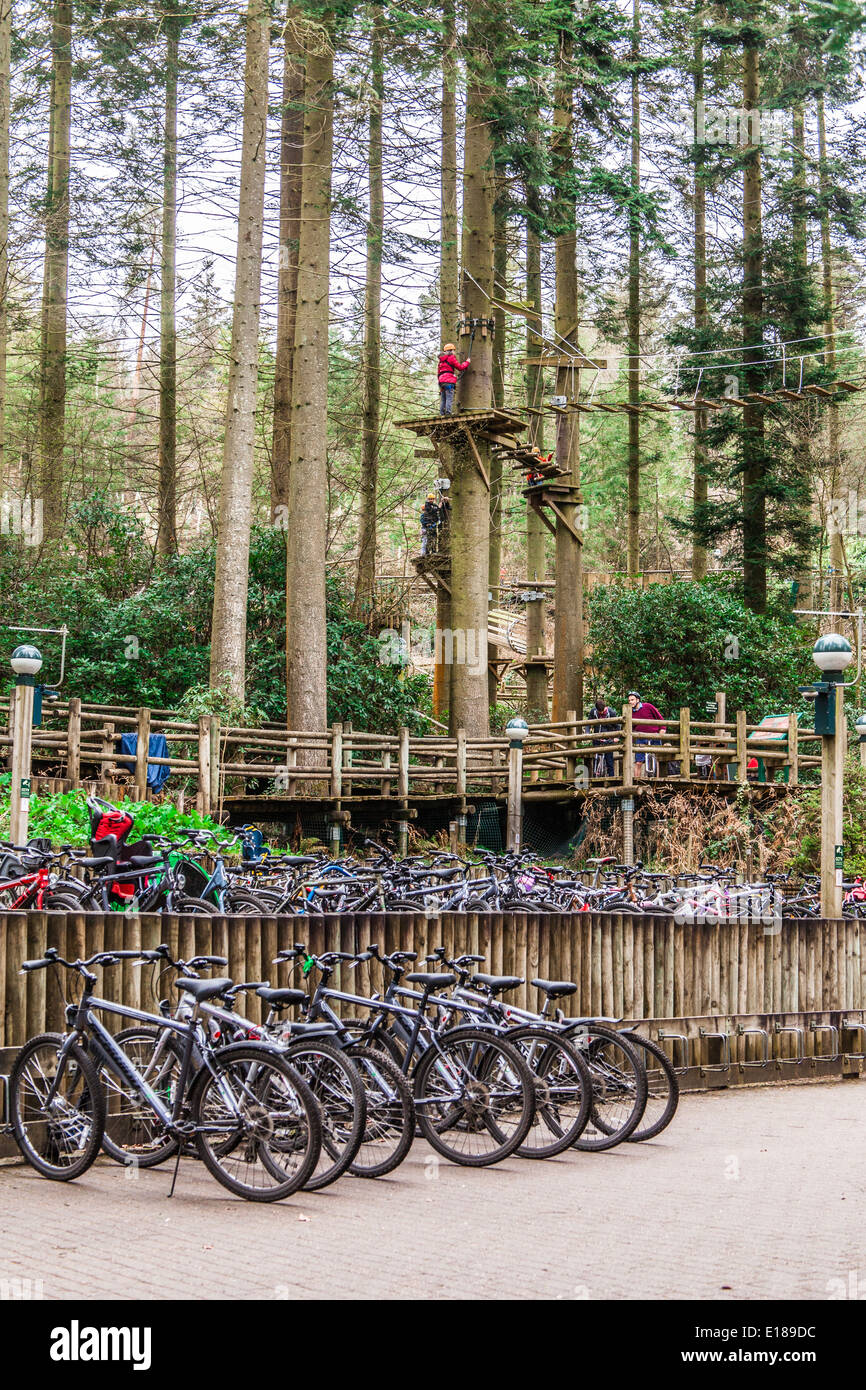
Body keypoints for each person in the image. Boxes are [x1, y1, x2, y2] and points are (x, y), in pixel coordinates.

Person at [627, 690, 666, 779]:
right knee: (638, 762)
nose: (630, 702)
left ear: (637, 700)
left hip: (654, 735)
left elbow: (660, 718)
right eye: (629, 700)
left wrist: (662, 729)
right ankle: (637, 782)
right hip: (640, 737)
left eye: (632, 700)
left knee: (657, 759)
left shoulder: (648, 706)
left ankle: (657, 780)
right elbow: (630, 726)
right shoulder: (630, 712)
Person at [437, 343, 470, 415]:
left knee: (443, 398)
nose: (454, 352)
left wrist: (440, 383)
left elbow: (438, 372)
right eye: (454, 350)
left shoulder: (441, 361)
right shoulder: (451, 358)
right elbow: (460, 367)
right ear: (451, 351)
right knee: (449, 397)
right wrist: (467, 362)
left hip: (441, 381)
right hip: (448, 381)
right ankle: (448, 413)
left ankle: (442, 413)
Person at [589, 696, 617, 778]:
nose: (601, 713)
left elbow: (617, 726)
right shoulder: (593, 712)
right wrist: (587, 733)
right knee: (595, 758)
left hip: (608, 738)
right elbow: (587, 723)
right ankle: (595, 777)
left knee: (609, 760)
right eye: (599, 712)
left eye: (602, 711)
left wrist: (615, 737)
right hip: (596, 737)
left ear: (605, 707)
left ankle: (612, 779)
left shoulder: (611, 713)